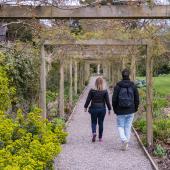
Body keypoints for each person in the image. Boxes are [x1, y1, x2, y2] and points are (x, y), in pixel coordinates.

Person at [112, 69, 139, 150]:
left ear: (122, 75)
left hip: (120, 110)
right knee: (128, 127)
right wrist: (135, 108)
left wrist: (115, 109)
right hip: (131, 110)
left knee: (120, 126)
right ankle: (125, 143)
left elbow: (114, 100)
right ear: (129, 75)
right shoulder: (133, 86)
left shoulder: (118, 86)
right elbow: (137, 99)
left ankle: (124, 140)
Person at [84, 77, 111, 142]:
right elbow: (107, 101)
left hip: (93, 108)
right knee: (101, 123)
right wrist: (109, 109)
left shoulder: (92, 90)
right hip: (102, 109)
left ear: (95, 83)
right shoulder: (105, 91)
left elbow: (88, 99)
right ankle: (100, 138)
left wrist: (85, 107)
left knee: (93, 122)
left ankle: (94, 133)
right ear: (102, 83)